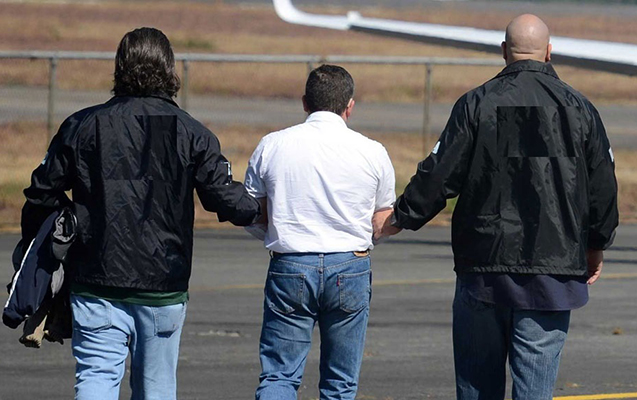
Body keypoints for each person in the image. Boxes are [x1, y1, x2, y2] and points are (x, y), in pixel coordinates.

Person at [374, 14, 618, 400]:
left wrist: (400, 217)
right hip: (551, 273)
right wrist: (596, 244)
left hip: (484, 269)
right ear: (549, 52)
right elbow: (603, 188)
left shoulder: (476, 104)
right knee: (534, 389)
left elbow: (440, 173)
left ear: (504, 51)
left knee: (477, 386)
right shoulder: (580, 109)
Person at [20, 27, 261, 400]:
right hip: (162, 285)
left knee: (96, 378)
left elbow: (40, 192)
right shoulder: (191, 133)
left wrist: (52, 237)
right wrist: (263, 207)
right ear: (169, 69)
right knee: (156, 388)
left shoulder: (81, 126)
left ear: (119, 67)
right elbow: (226, 199)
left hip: (95, 279)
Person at [244, 64, 396, 399]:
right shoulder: (373, 151)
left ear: (305, 102)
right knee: (339, 383)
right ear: (349, 106)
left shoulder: (272, 145)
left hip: (291, 263)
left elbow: (252, 212)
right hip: (350, 264)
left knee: (279, 376)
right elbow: (382, 218)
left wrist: (277, 233)